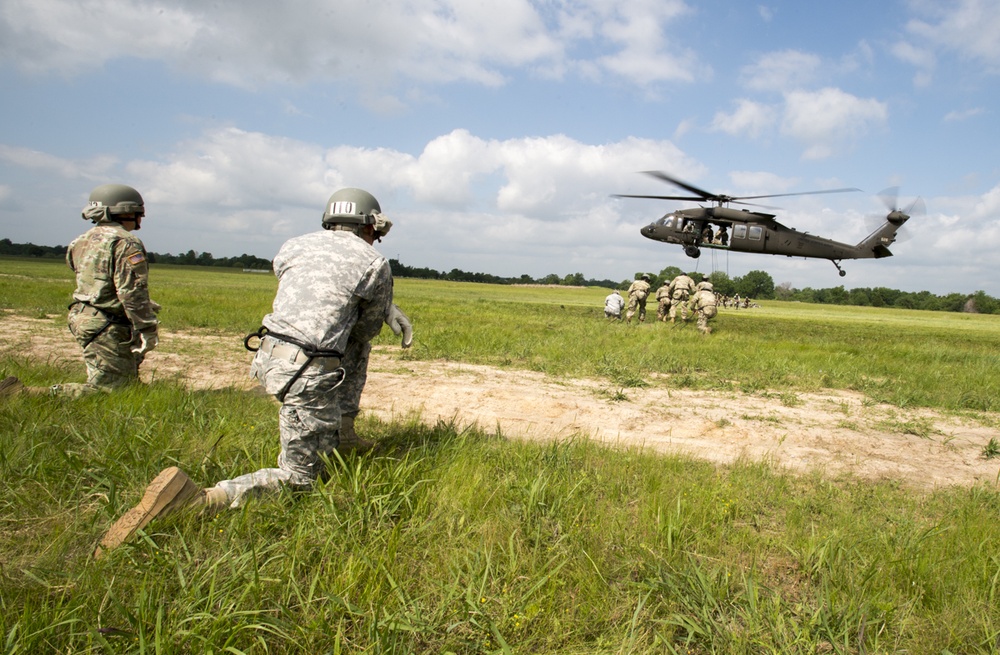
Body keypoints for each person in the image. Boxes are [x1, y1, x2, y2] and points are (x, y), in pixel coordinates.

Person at [93, 187, 413, 558]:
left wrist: (382, 305)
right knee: (302, 479)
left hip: (269, 356)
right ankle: (197, 499)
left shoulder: (295, 245)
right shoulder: (374, 262)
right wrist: (382, 307)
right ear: (371, 226)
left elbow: (320, 289)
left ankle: (342, 433)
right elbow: (363, 331)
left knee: (343, 364)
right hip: (308, 374)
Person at [1, 184, 160, 399]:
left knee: (125, 382)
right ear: (128, 211)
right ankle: (24, 395)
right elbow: (131, 291)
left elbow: (91, 280)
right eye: (139, 213)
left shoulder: (81, 240)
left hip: (84, 316)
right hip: (106, 323)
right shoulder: (126, 242)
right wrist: (147, 327)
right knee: (110, 391)